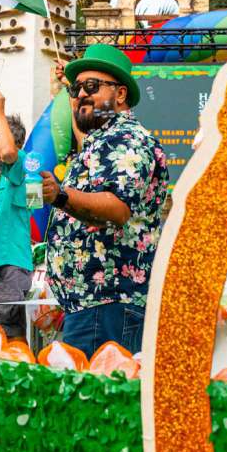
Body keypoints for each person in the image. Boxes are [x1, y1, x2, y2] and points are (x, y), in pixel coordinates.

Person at [41, 44, 169, 358]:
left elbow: (117, 209)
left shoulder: (126, 138)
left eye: (92, 86)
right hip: (91, 305)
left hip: (108, 305)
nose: (82, 94)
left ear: (121, 95)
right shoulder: (101, 140)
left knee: (100, 406)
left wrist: (60, 195)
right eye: (77, 88)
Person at [0, 91, 32, 342]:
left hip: (10, 268)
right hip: (3, 268)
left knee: (3, 340)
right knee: (0, 337)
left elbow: (9, 153)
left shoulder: (19, 161)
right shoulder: (5, 174)